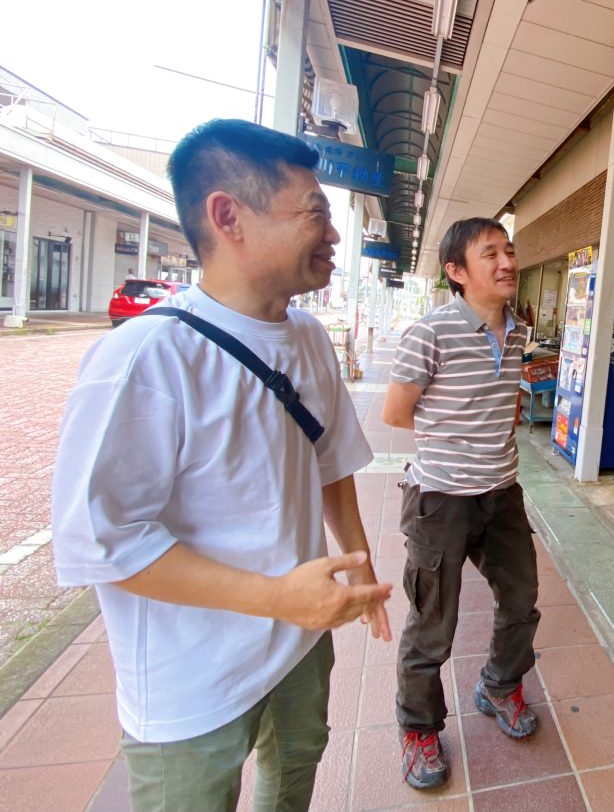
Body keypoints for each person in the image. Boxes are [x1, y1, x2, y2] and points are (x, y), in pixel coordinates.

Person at [51, 119, 393, 811]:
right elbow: (102, 544)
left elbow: (329, 459)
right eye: (314, 212)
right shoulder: (143, 362)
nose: (331, 234)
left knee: (291, 783)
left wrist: (357, 560)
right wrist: (276, 598)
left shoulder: (307, 338)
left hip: (300, 648)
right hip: (191, 686)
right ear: (228, 215)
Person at [382, 217, 539, 790]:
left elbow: (503, 402)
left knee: (521, 601)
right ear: (456, 271)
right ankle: (418, 727)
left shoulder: (518, 331)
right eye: (489, 254)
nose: (506, 263)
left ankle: (499, 685)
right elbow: (396, 414)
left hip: (502, 495)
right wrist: (459, 440)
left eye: (509, 250)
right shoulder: (431, 332)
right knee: (432, 624)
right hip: (441, 501)